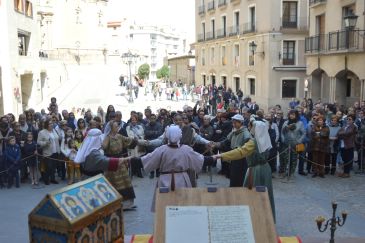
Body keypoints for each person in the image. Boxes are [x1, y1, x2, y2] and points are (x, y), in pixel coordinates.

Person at [130, 126, 213, 211]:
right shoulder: (186, 149)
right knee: (183, 206)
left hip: (164, 181)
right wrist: (215, 158)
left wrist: (130, 160)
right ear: (180, 136)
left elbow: (145, 160)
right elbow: (201, 160)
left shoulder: (161, 150)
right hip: (183, 180)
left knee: (165, 207)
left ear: (167, 136)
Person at [213, 119, 275, 221]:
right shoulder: (265, 138)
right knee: (263, 195)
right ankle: (264, 217)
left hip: (256, 171)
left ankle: (254, 217)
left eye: (251, 126)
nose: (249, 128)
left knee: (253, 194)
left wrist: (221, 156)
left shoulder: (254, 142)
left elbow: (240, 152)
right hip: (265, 169)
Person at [102, 121, 138, 209]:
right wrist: (105, 139)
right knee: (115, 183)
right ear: (110, 128)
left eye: (117, 126)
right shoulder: (107, 137)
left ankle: (128, 204)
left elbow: (128, 140)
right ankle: (116, 204)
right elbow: (103, 147)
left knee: (126, 181)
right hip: (111, 163)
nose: (117, 127)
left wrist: (139, 141)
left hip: (120, 162)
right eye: (115, 126)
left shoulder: (119, 136)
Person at [214, 114, 251, 187]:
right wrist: (215, 144)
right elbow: (226, 141)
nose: (233, 124)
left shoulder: (245, 132)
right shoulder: (234, 131)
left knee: (239, 178)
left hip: (241, 158)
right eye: (233, 122)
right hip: (234, 156)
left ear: (240, 123)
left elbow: (248, 144)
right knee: (233, 176)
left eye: (235, 122)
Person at [37, 119, 60, 185]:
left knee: (53, 167)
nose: (51, 125)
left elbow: (57, 139)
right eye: (49, 124)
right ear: (46, 125)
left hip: (55, 151)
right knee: (48, 167)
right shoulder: (42, 132)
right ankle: (46, 179)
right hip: (47, 152)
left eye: (52, 123)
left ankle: (53, 179)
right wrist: (45, 143)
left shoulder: (54, 131)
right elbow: (38, 142)